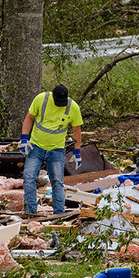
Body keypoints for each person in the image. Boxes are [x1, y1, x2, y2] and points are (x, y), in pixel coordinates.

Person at [19, 85, 83, 214]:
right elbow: (29, 118)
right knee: (29, 177)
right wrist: (24, 138)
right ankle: (30, 212)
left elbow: (77, 130)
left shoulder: (73, 107)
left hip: (57, 150)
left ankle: (59, 214)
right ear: (52, 96)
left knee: (57, 181)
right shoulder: (41, 99)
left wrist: (77, 152)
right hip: (36, 147)